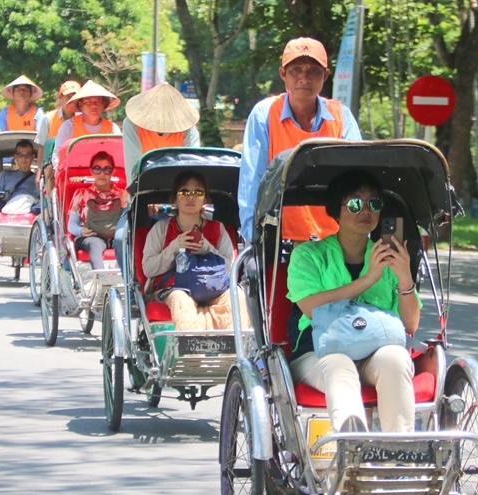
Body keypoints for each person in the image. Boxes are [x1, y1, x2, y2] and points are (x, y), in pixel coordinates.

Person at [286, 170, 420, 434]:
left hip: (375, 351)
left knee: (396, 358)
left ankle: (400, 451)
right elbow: (312, 308)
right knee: (340, 366)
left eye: (374, 204)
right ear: (336, 211)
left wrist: (405, 278)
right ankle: (352, 445)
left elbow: (410, 324)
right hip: (319, 352)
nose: (366, 211)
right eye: (356, 203)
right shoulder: (308, 256)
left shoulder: (388, 256)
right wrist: (368, 279)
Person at [238, 37, 362, 242]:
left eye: (314, 70)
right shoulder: (264, 114)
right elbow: (252, 182)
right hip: (278, 240)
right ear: (283, 74)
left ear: (325, 76)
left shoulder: (342, 117)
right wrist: (253, 240)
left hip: (335, 241)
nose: (304, 78)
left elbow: (358, 180)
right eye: (296, 70)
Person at [142, 171, 249, 331]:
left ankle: (235, 351)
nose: (190, 197)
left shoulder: (218, 229)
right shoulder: (161, 229)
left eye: (198, 193)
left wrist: (207, 249)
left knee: (238, 297)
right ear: (175, 199)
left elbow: (230, 269)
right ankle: (193, 352)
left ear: (205, 200)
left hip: (214, 288)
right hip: (172, 289)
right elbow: (148, 269)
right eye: (184, 192)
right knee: (181, 300)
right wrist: (174, 247)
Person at [122, 83, 200, 181]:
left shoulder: (187, 127)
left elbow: (191, 163)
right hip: (146, 181)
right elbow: (133, 167)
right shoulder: (132, 125)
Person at [67, 151, 126, 270]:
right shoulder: (81, 194)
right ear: (91, 171)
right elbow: (71, 224)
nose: (102, 174)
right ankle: (102, 277)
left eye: (107, 170)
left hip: (116, 237)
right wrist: (80, 231)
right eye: (97, 169)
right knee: (95, 245)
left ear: (113, 171)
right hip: (90, 236)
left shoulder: (122, 195)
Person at [51, 80, 121, 169]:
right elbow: (58, 155)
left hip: (104, 177)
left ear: (104, 104)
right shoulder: (69, 127)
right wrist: (62, 174)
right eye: (88, 102)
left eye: (98, 102)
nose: (93, 106)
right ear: (80, 104)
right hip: (74, 177)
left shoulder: (113, 129)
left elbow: (119, 156)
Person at [0, 140, 40, 227]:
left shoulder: (38, 178)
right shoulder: (5, 174)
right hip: (6, 203)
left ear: (33, 157)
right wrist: (3, 196)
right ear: (15, 157)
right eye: (20, 155)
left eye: (27, 155)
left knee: (46, 206)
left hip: (31, 206)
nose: (24, 158)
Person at [34, 80, 81, 188]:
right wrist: (39, 171)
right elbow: (41, 146)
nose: (71, 100)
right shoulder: (48, 118)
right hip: (53, 166)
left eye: (75, 97)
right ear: (60, 97)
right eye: (68, 96)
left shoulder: (83, 119)